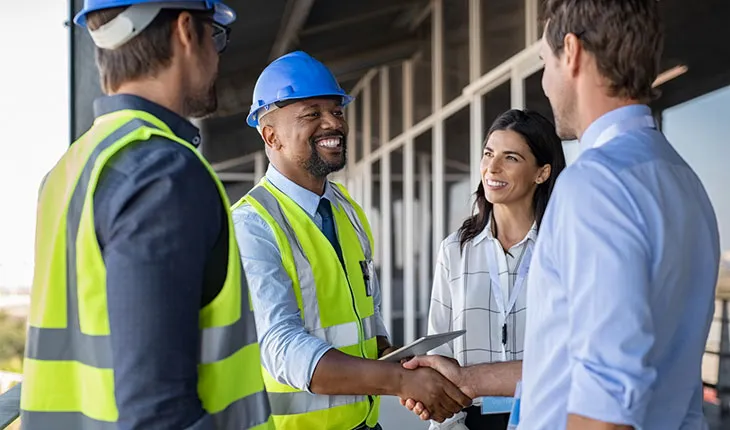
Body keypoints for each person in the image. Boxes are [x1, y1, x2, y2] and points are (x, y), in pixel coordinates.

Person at [20, 1, 273, 429]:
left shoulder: (69, 169)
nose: (216, 55)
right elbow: (159, 416)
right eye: (215, 36)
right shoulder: (162, 174)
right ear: (186, 31)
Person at [231, 51, 472, 430]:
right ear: (271, 135)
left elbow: (366, 322)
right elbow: (282, 348)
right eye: (312, 113)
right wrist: (402, 382)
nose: (333, 124)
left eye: (337, 111)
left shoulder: (346, 211)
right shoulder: (251, 225)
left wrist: (405, 362)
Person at [518, 0, 719, 429]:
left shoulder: (594, 185)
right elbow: (567, 363)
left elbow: (605, 404)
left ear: (570, 52)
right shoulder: (685, 182)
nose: (545, 81)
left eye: (544, 61)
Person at [403, 109, 566, 430]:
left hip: (549, 417)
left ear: (542, 173)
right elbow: (440, 349)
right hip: (472, 421)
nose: (492, 168)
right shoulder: (455, 250)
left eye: (511, 158)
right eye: (488, 154)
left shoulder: (563, 247)